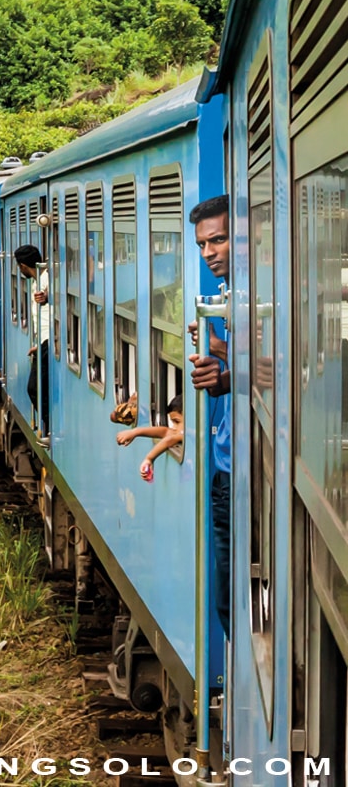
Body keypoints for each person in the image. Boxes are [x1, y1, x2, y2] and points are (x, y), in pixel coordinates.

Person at [188, 195, 231, 639]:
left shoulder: (263, 292)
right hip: (226, 472)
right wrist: (218, 363)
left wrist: (221, 366)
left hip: (245, 475)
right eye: (202, 244)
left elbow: (277, 368)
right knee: (228, 603)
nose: (208, 253)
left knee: (232, 604)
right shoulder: (232, 295)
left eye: (217, 240)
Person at [14, 244, 50, 435]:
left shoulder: (47, 280)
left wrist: (48, 297)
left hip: (50, 342)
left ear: (23, 265)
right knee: (36, 387)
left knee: (34, 388)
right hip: (43, 342)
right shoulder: (38, 281)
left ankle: (49, 426)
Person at [116, 393, 183, 481]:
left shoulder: (186, 433)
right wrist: (135, 432)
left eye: (177, 422)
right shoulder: (181, 431)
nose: (174, 427)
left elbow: (169, 440)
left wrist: (149, 458)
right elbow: (166, 431)